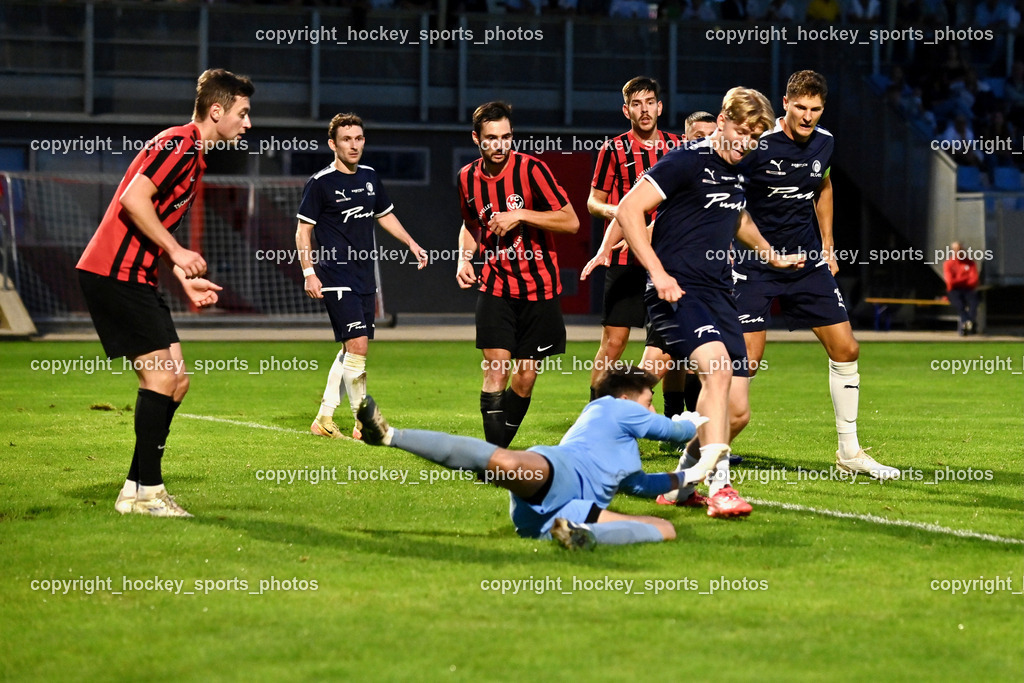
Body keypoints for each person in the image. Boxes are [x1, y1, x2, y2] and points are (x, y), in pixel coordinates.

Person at [616, 86, 805, 518]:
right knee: (716, 372)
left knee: (736, 412)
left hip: (720, 293)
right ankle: (721, 486)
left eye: (753, 138)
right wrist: (658, 273)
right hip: (677, 290)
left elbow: (736, 216)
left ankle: (681, 483)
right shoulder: (686, 160)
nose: (745, 144)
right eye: (739, 132)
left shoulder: (741, 166)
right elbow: (629, 210)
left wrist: (772, 255)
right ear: (721, 121)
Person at [76, 68, 253, 517]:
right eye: (243, 113)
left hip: (136, 277)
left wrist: (184, 278)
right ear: (217, 111)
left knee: (177, 382)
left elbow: (153, 225)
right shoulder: (178, 142)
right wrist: (177, 252)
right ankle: (150, 495)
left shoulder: (194, 157)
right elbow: (132, 201)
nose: (248, 124)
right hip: (113, 275)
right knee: (160, 378)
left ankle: (135, 489)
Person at [732, 70, 899, 480]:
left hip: (806, 262)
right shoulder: (757, 145)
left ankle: (849, 453)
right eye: (801, 108)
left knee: (847, 349)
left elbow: (822, 187)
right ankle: (709, 450)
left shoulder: (825, 143)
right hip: (755, 264)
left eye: (816, 109)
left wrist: (827, 243)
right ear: (785, 104)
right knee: (746, 364)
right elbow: (730, 201)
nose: (808, 116)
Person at [357, 368, 719, 549]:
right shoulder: (610, 407)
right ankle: (389, 436)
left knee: (665, 529)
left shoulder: (626, 447)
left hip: (571, 511)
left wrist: (689, 476)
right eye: (649, 400)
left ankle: (581, 537)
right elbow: (672, 432)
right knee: (506, 463)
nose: (652, 409)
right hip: (557, 476)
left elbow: (641, 485)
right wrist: (694, 422)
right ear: (628, 400)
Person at [456, 101, 580, 448]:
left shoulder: (531, 170)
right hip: (495, 286)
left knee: (524, 377)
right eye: (491, 138)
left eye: (506, 137)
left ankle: (498, 453)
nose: (500, 145)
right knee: (496, 368)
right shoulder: (466, 178)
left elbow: (571, 221)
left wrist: (522, 214)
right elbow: (470, 226)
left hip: (539, 289)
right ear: (476, 139)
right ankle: (494, 460)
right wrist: (464, 260)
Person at [298, 112, 428, 440]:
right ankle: (362, 422)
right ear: (333, 144)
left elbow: (386, 216)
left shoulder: (370, 177)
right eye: (346, 139)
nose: (353, 145)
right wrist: (309, 273)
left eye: (358, 139)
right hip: (335, 275)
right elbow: (303, 232)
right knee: (357, 345)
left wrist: (410, 242)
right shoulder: (320, 183)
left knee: (351, 349)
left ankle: (325, 418)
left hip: (364, 278)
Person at [582, 77, 681, 403]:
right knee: (613, 343)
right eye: (636, 104)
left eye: (650, 102)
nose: (644, 109)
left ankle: (673, 418)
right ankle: (595, 411)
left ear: (660, 106)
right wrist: (620, 212)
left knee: (672, 343)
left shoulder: (677, 147)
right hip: (625, 261)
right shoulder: (613, 149)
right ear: (626, 110)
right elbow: (593, 203)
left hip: (668, 260)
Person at [943, 240, 980, 335]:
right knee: (959, 305)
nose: (958, 252)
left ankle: (966, 323)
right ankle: (968, 322)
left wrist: (959, 280)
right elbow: (950, 282)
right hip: (954, 290)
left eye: (959, 249)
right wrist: (965, 278)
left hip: (968, 289)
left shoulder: (970, 263)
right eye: (955, 250)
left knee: (974, 303)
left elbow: (974, 280)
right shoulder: (949, 264)